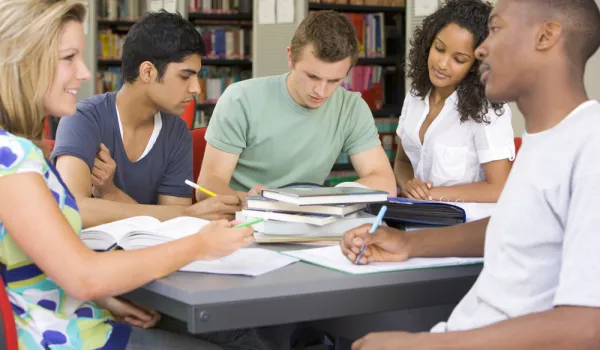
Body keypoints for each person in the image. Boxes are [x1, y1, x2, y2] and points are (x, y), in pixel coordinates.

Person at [342, 0, 600, 349]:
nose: (481, 48)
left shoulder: (590, 146)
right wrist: (407, 243)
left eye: (495, 29)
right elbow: (515, 228)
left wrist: (422, 345)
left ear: (546, 35)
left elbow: (589, 327)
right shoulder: (547, 141)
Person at [0, 1, 255, 348]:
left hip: (76, 313)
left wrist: (103, 298)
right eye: (69, 57)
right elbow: (83, 276)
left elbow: (29, 264)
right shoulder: (13, 158)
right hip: (61, 336)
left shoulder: (16, 151)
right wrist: (200, 243)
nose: (85, 72)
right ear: (25, 62)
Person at [51, 10, 241, 229]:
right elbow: (72, 209)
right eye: (185, 76)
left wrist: (112, 193)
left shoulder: (177, 132)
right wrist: (189, 213)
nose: (196, 88)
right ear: (148, 72)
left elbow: (174, 226)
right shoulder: (83, 119)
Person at [197, 10, 397, 201]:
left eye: (335, 80)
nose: (321, 91)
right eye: (312, 76)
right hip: (243, 218)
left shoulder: (351, 107)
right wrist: (246, 199)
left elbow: (385, 183)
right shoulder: (240, 99)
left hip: (310, 221)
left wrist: (326, 199)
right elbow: (207, 188)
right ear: (290, 57)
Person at [395, 0, 515, 203]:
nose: (442, 64)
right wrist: (409, 185)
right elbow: (402, 161)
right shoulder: (416, 95)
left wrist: (430, 196)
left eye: (458, 59)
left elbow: (499, 188)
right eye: (439, 48)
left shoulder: (488, 110)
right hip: (415, 220)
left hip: (465, 226)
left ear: (477, 65)